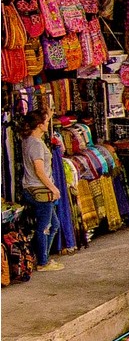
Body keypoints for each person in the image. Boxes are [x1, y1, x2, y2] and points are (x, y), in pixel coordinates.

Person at [18, 107, 63, 272]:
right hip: (40, 189)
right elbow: (39, 170)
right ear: (39, 125)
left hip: (31, 187)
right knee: (45, 226)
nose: (48, 123)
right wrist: (53, 188)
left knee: (54, 224)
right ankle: (42, 261)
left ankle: (41, 256)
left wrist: (48, 112)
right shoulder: (36, 144)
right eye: (45, 121)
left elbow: (43, 122)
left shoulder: (28, 139)